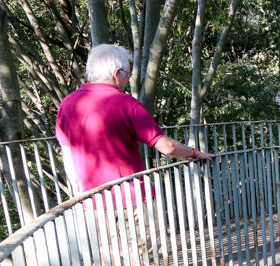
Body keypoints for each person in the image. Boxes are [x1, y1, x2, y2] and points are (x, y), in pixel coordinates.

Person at [56, 44, 212, 197]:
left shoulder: (67, 104)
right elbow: (168, 147)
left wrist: (77, 195)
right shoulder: (126, 103)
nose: (126, 79)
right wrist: (194, 153)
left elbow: (67, 154)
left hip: (90, 203)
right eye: (127, 74)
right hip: (132, 200)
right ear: (117, 74)